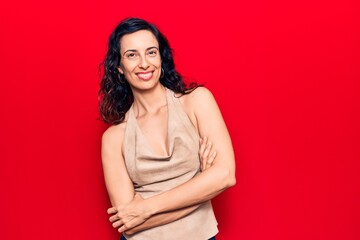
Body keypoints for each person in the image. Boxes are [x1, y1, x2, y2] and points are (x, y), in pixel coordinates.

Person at [99, 17, 236, 240]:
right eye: (132, 55)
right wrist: (201, 183)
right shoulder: (114, 137)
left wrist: (145, 208)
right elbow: (128, 223)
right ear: (119, 67)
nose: (144, 63)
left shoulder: (197, 101)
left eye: (151, 52)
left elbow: (225, 176)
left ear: (161, 57)